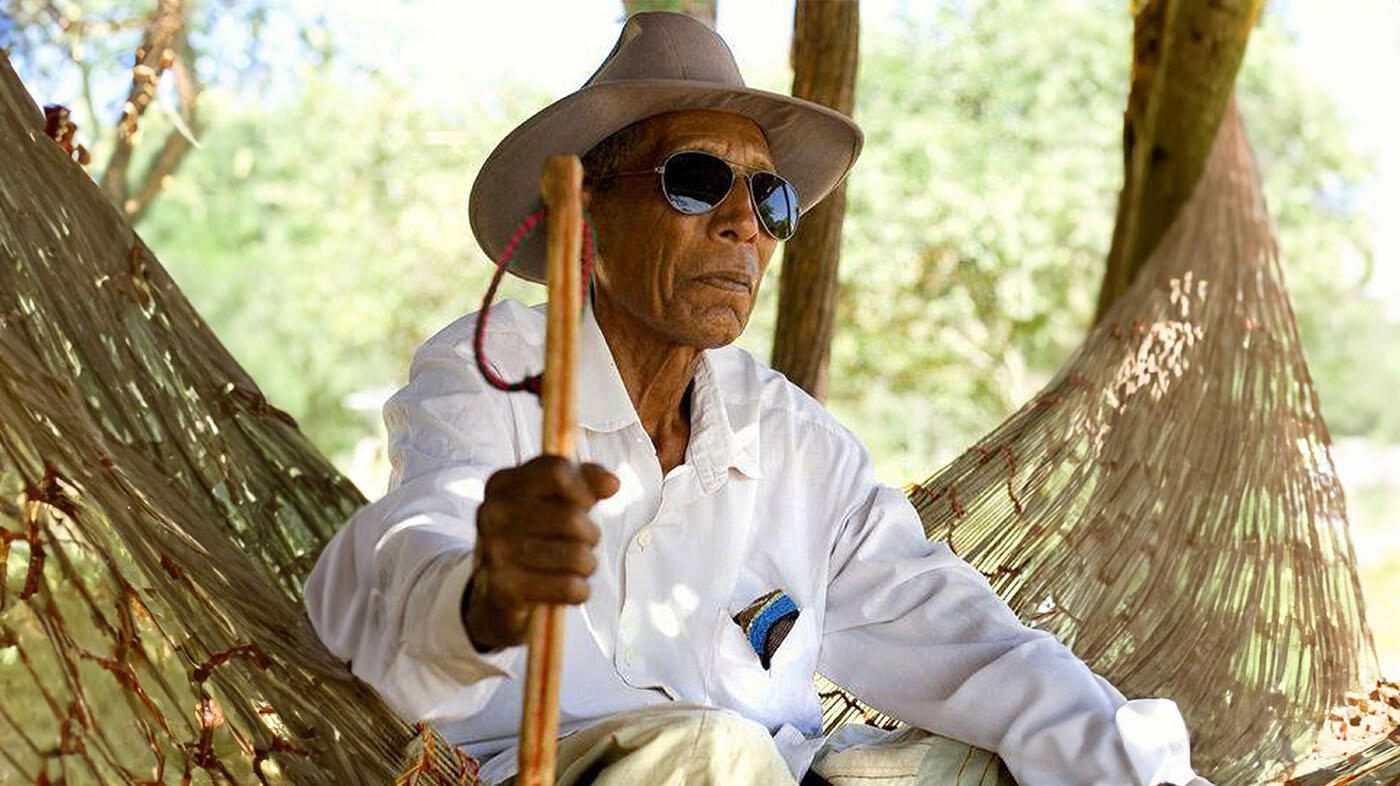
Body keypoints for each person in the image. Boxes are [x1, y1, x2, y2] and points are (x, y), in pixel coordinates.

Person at [305, 12, 1212, 786]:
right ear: (588, 216)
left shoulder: (791, 440)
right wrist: (484, 594)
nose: (744, 222)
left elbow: (969, 644)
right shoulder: (492, 375)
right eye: (695, 180)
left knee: (1001, 766)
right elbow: (404, 574)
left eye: (769, 197)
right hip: (559, 769)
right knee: (715, 756)